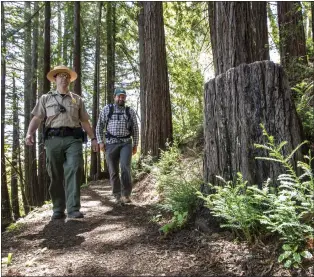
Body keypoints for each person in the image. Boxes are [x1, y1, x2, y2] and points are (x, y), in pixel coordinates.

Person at [25, 65, 99, 219]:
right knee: (55, 174)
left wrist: (93, 138)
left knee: (74, 169)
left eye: (67, 76)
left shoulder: (77, 99)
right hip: (53, 140)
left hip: (73, 139)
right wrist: (29, 133)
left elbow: (85, 121)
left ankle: (73, 209)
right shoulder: (46, 98)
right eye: (61, 75)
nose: (64, 78)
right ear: (55, 79)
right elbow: (37, 118)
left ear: (70, 80)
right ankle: (58, 209)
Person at [96, 88, 139, 204]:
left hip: (126, 143)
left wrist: (135, 144)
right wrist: (100, 142)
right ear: (114, 97)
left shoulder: (130, 111)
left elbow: (135, 129)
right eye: (119, 96)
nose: (121, 98)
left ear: (125, 98)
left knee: (125, 167)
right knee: (113, 171)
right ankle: (117, 195)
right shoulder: (107, 109)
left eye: (123, 96)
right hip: (110, 144)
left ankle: (126, 195)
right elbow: (99, 126)